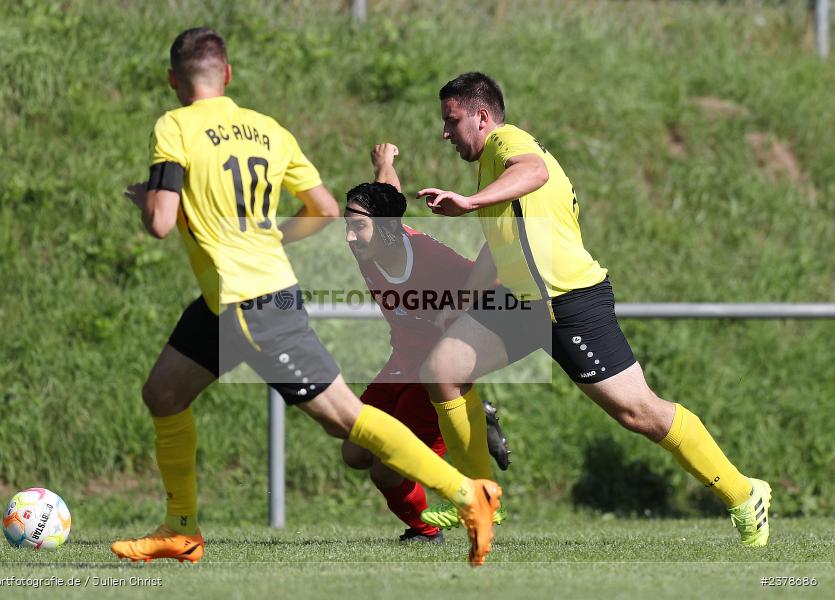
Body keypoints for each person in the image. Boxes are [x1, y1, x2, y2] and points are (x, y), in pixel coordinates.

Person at [110, 31, 501, 567]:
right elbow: (319, 208)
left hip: (251, 302)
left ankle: (467, 494)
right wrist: (267, 236)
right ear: (227, 75)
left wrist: (149, 200)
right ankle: (181, 529)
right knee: (163, 393)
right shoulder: (269, 131)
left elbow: (159, 223)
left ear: (174, 80)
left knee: (347, 420)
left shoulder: (174, 126)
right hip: (226, 298)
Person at [415, 72, 771, 546]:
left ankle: (745, 494)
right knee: (442, 367)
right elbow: (496, 246)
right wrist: (460, 301)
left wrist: (469, 202)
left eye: (452, 120)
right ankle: (477, 497)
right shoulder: (490, 170)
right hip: (524, 304)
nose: (445, 132)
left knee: (639, 412)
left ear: (482, 117)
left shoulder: (507, 140)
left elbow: (534, 171)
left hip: (570, 303)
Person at [341, 144, 511, 543]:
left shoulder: (431, 259)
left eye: (356, 226)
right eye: (346, 224)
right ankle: (478, 415)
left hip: (436, 369)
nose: (348, 235)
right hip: (402, 360)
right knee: (355, 453)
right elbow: (386, 197)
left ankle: (425, 528)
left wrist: (461, 310)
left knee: (387, 469)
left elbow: (494, 276)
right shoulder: (369, 245)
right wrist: (384, 164)